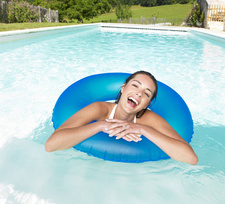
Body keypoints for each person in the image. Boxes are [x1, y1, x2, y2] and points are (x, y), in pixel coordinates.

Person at [45, 71, 198, 165]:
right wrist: (101, 126)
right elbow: (51, 145)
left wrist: (142, 129)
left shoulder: (150, 119)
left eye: (146, 94)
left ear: (146, 104)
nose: (139, 93)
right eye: (135, 86)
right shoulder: (99, 109)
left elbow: (191, 158)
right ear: (123, 88)